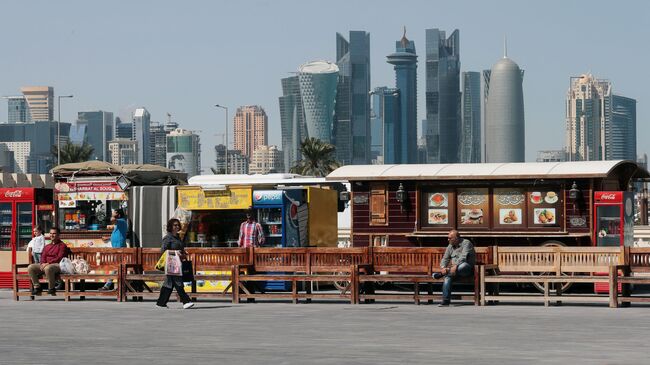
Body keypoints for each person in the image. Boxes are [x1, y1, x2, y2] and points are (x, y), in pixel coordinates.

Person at [156, 218, 194, 309]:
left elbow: (180, 248)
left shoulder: (178, 237)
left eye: (178, 225)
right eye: (175, 225)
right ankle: (186, 301)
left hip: (177, 263)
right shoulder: (167, 238)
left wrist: (183, 253)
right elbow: (163, 251)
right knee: (177, 281)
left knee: (169, 283)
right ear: (170, 227)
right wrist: (176, 253)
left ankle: (161, 303)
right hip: (171, 264)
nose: (177, 226)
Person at [433, 229, 476, 307]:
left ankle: (441, 274)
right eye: (448, 237)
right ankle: (445, 301)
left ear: (456, 238)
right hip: (453, 271)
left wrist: (455, 265)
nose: (448, 239)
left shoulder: (466, 243)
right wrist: (443, 268)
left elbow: (463, 257)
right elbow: (445, 258)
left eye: (450, 238)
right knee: (447, 276)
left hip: (466, 269)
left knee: (462, 266)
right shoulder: (450, 246)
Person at [27, 227, 68, 296]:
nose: (52, 235)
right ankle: (37, 287)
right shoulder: (47, 246)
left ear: (58, 235)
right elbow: (43, 256)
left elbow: (59, 258)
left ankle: (52, 288)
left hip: (57, 265)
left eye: (54, 233)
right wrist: (42, 263)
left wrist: (48, 263)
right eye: (51, 233)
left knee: (48, 268)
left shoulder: (62, 245)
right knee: (31, 267)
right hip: (46, 264)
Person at [99, 209, 128, 291]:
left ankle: (109, 285)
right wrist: (108, 238)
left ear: (118, 214)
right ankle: (120, 286)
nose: (112, 213)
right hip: (117, 248)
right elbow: (118, 234)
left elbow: (112, 220)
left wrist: (113, 215)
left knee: (118, 267)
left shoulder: (122, 221)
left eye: (114, 212)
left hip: (120, 248)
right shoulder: (119, 223)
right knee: (118, 267)